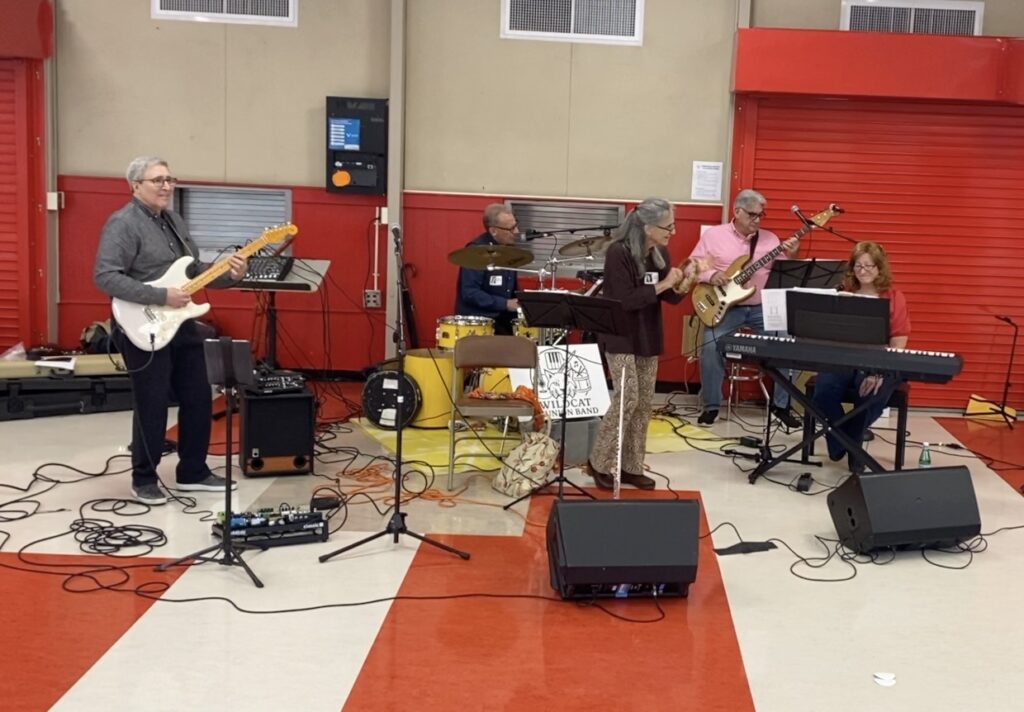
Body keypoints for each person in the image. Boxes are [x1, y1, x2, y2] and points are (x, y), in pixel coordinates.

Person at [94, 156, 248, 505]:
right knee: (152, 402)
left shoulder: (174, 221)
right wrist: (161, 296)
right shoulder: (123, 224)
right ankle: (143, 479)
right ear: (135, 186)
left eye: (169, 179)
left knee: (198, 395)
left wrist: (231, 274)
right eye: (158, 180)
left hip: (180, 323)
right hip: (141, 324)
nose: (166, 186)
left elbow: (193, 273)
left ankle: (193, 471)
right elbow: (105, 276)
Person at [587, 198, 689, 490]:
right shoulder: (618, 253)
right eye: (668, 226)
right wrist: (664, 284)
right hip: (620, 335)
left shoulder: (659, 253)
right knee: (627, 398)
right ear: (647, 227)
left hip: (647, 334)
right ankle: (599, 462)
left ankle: (631, 466)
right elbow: (624, 300)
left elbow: (669, 297)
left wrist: (687, 280)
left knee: (644, 403)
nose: (673, 231)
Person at [688, 189, 802, 427]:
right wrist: (712, 275)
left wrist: (792, 255)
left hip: (761, 308)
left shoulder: (770, 239)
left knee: (788, 344)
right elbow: (693, 267)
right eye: (752, 215)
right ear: (737, 211)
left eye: (761, 215)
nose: (757, 220)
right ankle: (711, 406)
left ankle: (782, 406)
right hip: (726, 308)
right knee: (710, 346)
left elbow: (785, 273)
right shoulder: (714, 236)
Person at [811, 241, 910, 471]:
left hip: (881, 361)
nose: (863, 271)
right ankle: (847, 442)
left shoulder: (894, 297)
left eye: (869, 265)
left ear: (879, 268)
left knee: (871, 394)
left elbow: (898, 341)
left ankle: (845, 442)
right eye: (858, 266)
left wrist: (878, 371)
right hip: (845, 358)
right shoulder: (845, 294)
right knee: (823, 391)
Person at [454, 203, 521, 335]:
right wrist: (505, 304)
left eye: (516, 225)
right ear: (493, 231)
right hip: (479, 324)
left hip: (503, 320)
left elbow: (511, 290)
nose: (517, 231)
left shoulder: (510, 250)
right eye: (511, 228)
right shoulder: (476, 252)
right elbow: (470, 292)